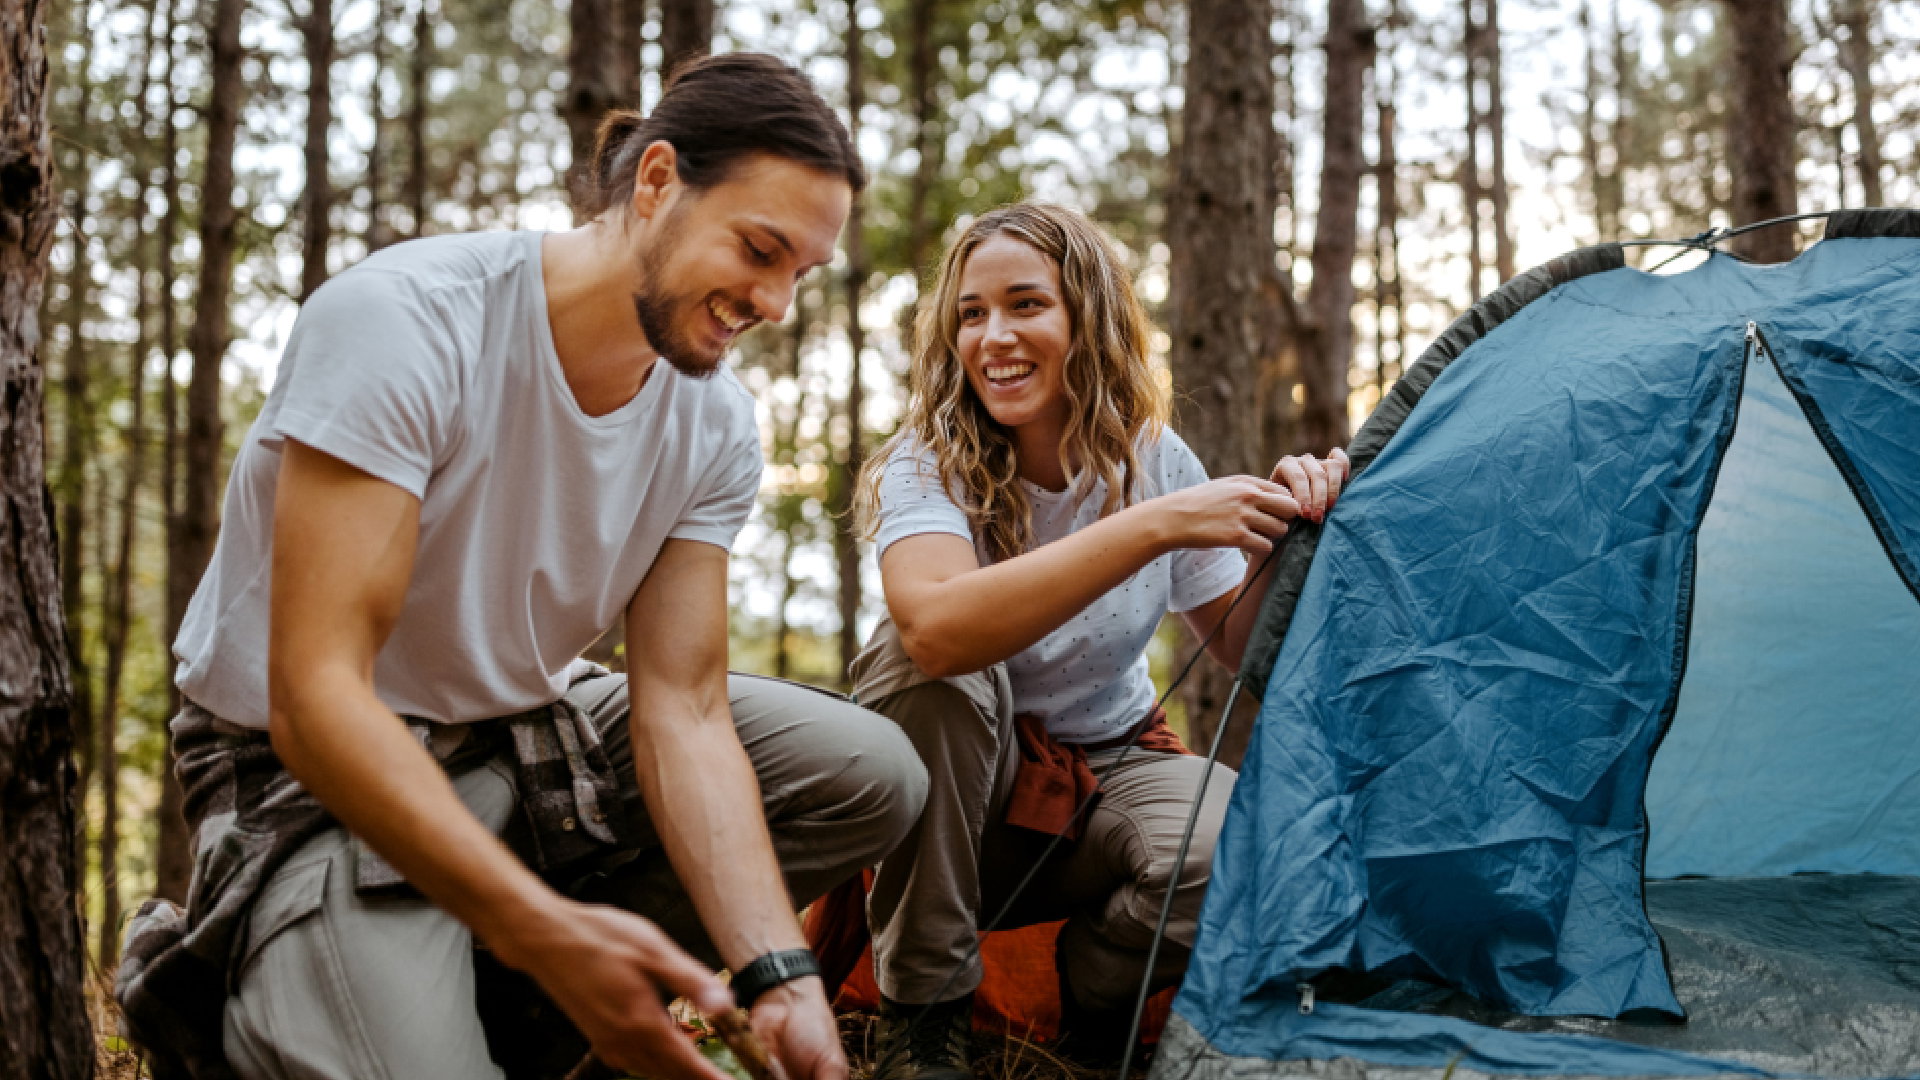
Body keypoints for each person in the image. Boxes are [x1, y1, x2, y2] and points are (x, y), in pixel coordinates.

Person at [113, 53, 927, 1080]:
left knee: (869, 773)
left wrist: (781, 979)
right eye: (761, 250)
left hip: (525, 731)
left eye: (800, 274)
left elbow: (685, 707)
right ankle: (257, 985)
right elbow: (315, 698)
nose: (774, 303)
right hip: (307, 768)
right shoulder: (404, 322)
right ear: (657, 180)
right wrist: (550, 929)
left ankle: (504, 1000)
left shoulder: (714, 422)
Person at [848, 202, 1348, 1079]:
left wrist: (1290, 529)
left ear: (1089, 314)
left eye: (1026, 304)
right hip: (955, 805)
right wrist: (1155, 527)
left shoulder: (1152, 458)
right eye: (971, 313)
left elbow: (1243, 650)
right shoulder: (924, 462)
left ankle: (1094, 990)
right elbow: (932, 632)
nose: (993, 336)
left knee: (1250, 849)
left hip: (1104, 777)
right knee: (930, 670)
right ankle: (922, 1025)